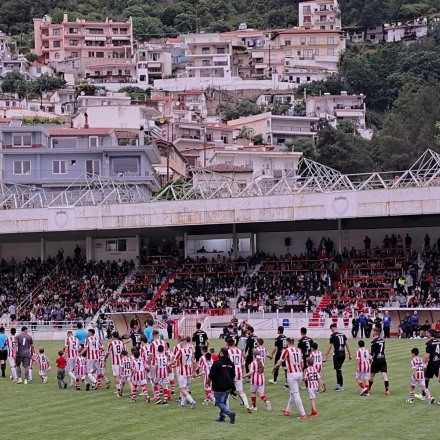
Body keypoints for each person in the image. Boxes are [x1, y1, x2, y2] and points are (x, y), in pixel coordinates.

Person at [273, 337, 306, 419]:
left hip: (292, 374)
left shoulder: (286, 350)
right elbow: (302, 364)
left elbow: (280, 362)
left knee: (296, 393)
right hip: (299, 373)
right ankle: (288, 410)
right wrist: (301, 372)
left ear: (287, 342)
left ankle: (303, 413)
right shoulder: (299, 350)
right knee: (293, 392)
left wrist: (274, 368)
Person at [208, 347, 236, 424]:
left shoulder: (217, 363)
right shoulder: (231, 363)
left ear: (221, 353)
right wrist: (232, 386)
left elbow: (211, 375)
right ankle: (222, 417)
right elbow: (233, 375)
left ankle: (229, 413)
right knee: (223, 402)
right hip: (229, 386)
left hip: (219, 386)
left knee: (219, 402)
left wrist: (208, 382)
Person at [323, 323, 352, 392]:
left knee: (338, 369)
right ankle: (338, 384)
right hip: (343, 354)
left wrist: (325, 356)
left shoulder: (332, 336)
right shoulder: (343, 335)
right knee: (337, 369)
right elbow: (347, 345)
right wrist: (350, 354)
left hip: (337, 354)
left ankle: (341, 386)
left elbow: (329, 347)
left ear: (332, 328)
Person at [226, 339, 252, 412]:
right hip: (239, 372)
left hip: (231, 373)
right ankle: (247, 405)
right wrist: (242, 372)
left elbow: (227, 363)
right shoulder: (239, 351)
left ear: (227, 344)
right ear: (234, 343)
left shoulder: (228, 352)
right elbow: (243, 363)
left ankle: (226, 408)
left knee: (227, 391)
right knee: (240, 391)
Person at [174, 337, 196, 408]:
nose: (179, 343)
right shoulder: (190, 351)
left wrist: (169, 365)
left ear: (182, 342)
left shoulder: (180, 351)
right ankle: (182, 404)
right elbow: (194, 362)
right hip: (189, 371)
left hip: (182, 372)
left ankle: (192, 401)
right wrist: (194, 371)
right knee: (185, 388)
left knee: (182, 389)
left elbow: (175, 361)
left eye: (180, 342)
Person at [369, 327, 390, 395]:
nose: (372, 333)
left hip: (376, 359)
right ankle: (387, 390)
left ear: (375, 333)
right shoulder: (383, 340)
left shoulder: (373, 341)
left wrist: (370, 359)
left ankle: (368, 389)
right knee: (384, 375)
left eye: (373, 331)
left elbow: (372, 352)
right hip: (382, 358)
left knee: (372, 375)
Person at [421, 329, 440, 401]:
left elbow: (427, 355)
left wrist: (423, 363)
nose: (426, 333)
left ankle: (423, 396)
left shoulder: (429, 343)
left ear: (430, 334)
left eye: (427, 332)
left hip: (432, 363)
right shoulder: (438, 341)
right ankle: (423, 395)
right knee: (427, 377)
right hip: (438, 362)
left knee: (426, 378)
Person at [107, 331, 126, 396]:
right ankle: (120, 388)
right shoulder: (121, 343)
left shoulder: (111, 343)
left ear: (112, 336)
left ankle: (118, 390)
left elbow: (108, 352)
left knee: (116, 376)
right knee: (120, 375)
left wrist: (105, 358)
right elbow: (124, 352)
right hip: (121, 361)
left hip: (115, 362)